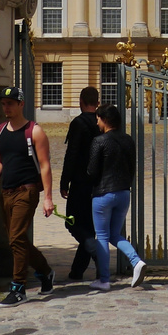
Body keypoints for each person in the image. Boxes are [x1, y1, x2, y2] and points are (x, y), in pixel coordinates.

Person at [0, 87, 55, 305]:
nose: (6, 107)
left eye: (10, 103)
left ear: (21, 104)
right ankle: (45, 271)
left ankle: (18, 288)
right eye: (4, 103)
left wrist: (48, 198)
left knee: (16, 238)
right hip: (6, 191)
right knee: (17, 240)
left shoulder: (34, 131)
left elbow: (45, 166)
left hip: (27, 190)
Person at [86, 104, 146, 290]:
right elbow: (132, 168)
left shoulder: (99, 141)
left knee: (102, 236)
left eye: (98, 119)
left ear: (104, 120)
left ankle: (104, 280)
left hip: (103, 194)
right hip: (123, 192)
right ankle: (136, 262)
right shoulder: (128, 140)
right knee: (114, 234)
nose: (96, 123)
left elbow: (92, 171)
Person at [61, 87, 104, 281]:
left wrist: (64, 181)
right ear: (97, 102)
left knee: (72, 222)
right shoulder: (101, 123)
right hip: (99, 183)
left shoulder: (79, 123)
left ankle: (96, 253)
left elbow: (72, 154)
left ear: (81, 101)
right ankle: (76, 271)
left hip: (80, 183)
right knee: (88, 226)